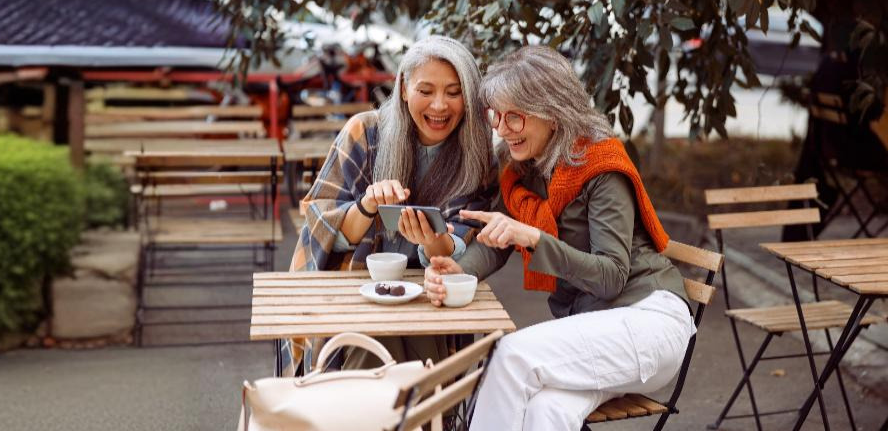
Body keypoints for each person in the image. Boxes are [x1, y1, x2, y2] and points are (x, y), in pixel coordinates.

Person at [422, 46, 696, 430]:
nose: (501, 129)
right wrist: (459, 270)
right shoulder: (523, 169)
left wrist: (535, 238)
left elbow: (612, 276)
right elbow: (498, 237)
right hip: (596, 333)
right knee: (545, 411)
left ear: (551, 110)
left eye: (514, 117)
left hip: (647, 322)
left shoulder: (600, 165)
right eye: (496, 116)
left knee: (510, 355)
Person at [290, 35, 495, 366]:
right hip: (355, 289)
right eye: (425, 91)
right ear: (402, 88)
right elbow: (320, 226)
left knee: (420, 368)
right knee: (368, 347)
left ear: (468, 96)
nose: (439, 105)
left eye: (454, 93)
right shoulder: (365, 132)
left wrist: (433, 242)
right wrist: (366, 206)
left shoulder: (476, 156)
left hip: (429, 296)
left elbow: (458, 244)